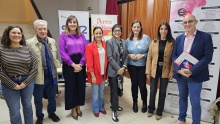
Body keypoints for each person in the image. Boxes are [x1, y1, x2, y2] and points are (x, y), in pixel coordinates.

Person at [172, 14, 213, 124]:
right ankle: (181, 119)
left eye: (190, 21)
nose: (187, 24)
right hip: (181, 75)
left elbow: (208, 57)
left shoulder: (205, 37)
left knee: (195, 102)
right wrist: (178, 70)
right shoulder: (179, 38)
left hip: (195, 75)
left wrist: (192, 71)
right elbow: (174, 56)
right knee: (182, 98)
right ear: (182, 24)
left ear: (196, 22)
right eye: (185, 22)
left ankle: (196, 122)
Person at [0, 26, 38, 124]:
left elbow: (34, 67)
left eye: (19, 33)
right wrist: (13, 85)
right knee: (14, 110)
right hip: (8, 82)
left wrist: (25, 83)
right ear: (7, 34)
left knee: (28, 106)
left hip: (27, 81)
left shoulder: (28, 49)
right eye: (14, 32)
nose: (17, 35)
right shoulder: (1, 50)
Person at [27, 20, 61, 124]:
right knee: (38, 99)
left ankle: (52, 113)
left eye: (44, 29)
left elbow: (55, 57)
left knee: (52, 97)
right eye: (40, 29)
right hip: (38, 76)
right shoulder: (29, 43)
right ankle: (39, 116)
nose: (43, 31)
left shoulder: (52, 41)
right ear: (35, 30)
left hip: (52, 75)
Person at [59, 15, 86, 120]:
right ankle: (73, 108)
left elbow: (85, 51)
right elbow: (62, 52)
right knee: (71, 87)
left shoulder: (81, 36)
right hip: (68, 64)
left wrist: (81, 64)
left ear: (77, 24)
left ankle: (78, 106)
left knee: (80, 86)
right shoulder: (63, 36)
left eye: (74, 22)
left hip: (81, 63)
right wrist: (72, 64)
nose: (72, 24)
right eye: (70, 22)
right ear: (67, 24)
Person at [146, 22, 174, 120]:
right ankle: (151, 109)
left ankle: (159, 111)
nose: (163, 31)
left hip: (165, 70)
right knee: (153, 90)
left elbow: (174, 59)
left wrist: (172, 71)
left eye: (165, 29)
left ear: (168, 30)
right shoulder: (154, 42)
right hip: (154, 69)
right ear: (159, 30)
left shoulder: (171, 42)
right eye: (161, 29)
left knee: (162, 91)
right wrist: (148, 71)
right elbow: (149, 57)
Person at [126, 20, 151, 113]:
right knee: (134, 85)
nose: (136, 29)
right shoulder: (128, 40)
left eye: (138, 27)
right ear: (131, 28)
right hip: (132, 66)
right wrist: (130, 55)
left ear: (140, 28)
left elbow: (152, 52)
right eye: (134, 27)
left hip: (142, 66)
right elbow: (126, 52)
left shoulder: (146, 38)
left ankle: (144, 103)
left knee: (142, 85)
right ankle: (135, 103)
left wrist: (143, 55)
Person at [106, 24, 128, 122]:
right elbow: (110, 58)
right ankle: (114, 111)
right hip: (113, 71)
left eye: (119, 30)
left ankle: (114, 105)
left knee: (119, 89)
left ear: (121, 32)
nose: (117, 32)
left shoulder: (124, 42)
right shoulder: (109, 42)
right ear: (112, 32)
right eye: (115, 31)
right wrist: (118, 69)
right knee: (114, 90)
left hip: (121, 70)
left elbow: (126, 56)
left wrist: (123, 67)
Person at [85, 27, 108, 117]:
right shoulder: (89, 46)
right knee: (95, 93)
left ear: (102, 34)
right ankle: (95, 109)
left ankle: (101, 107)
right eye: (96, 33)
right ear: (93, 34)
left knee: (101, 91)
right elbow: (89, 63)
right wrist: (93, 75)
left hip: (103, 73)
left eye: (100, 33)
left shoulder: (106, 44)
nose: (98, 35)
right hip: (94, 73)